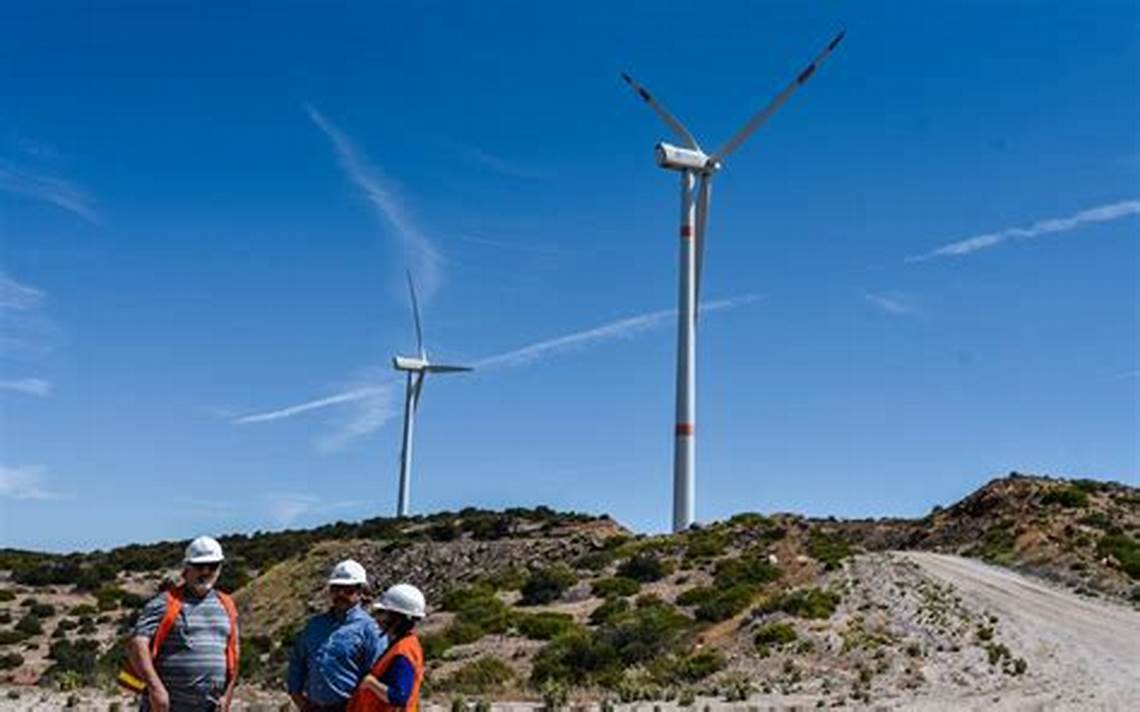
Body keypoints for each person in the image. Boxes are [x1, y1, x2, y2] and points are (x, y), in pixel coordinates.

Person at [127, 535, 240, 712]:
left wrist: (227, 696)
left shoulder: (227, 605)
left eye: (213, 566)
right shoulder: (164, 603)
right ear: (186, 568)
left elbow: (233, 654)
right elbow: (138, 644)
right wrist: (155, 689)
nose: (206, 571)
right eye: (199, 566)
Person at [288, 559, 386, 711]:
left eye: (348, 590)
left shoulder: (370, 630)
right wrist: (296, 695)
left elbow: (378, 675)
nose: (340, 594)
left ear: (361, 591)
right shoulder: (315, 625)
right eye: (336, 588)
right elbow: (298, 661)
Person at [346, 584, 426, 712]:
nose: (380, 618)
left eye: (385, 613)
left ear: (397, 618)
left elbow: (399, 697)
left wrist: (371, 683)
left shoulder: (403, 652)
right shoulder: (404, 644)